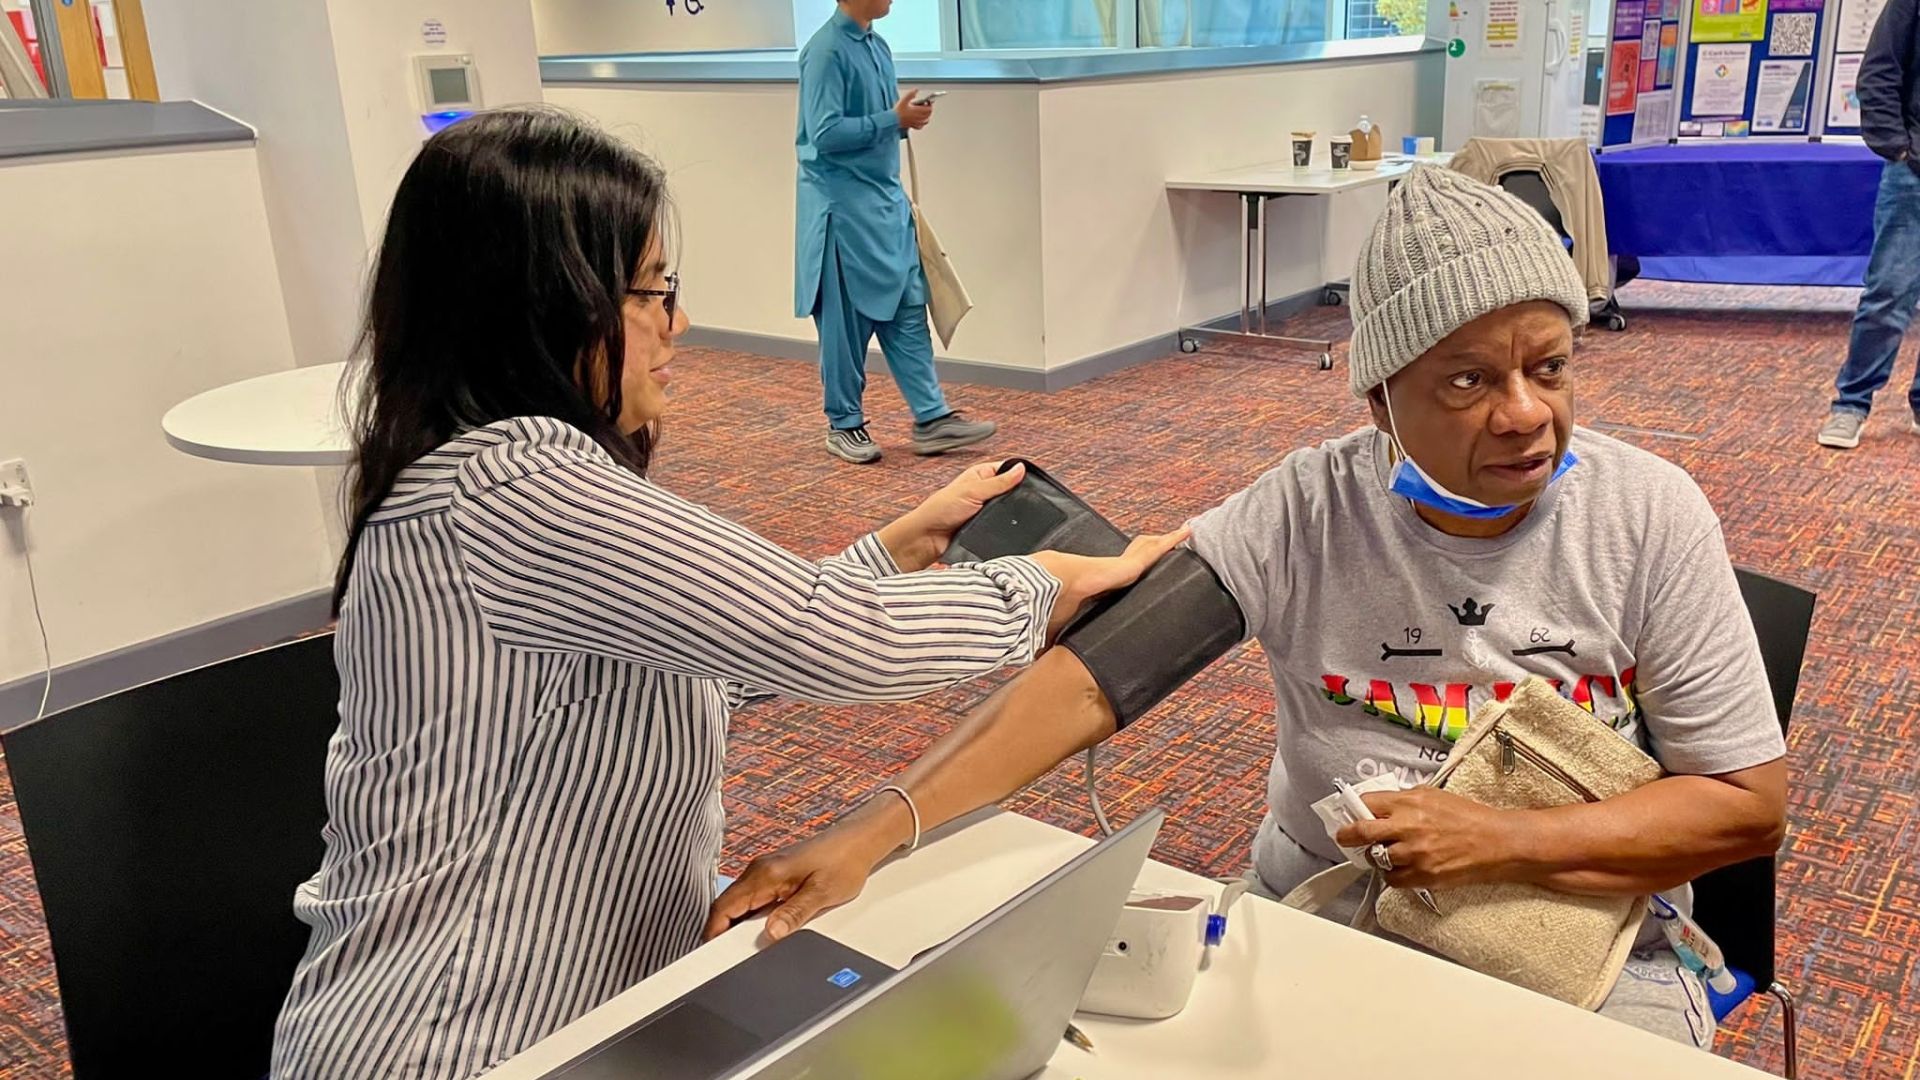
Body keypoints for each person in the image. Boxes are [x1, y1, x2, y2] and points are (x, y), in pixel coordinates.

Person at [712, 168, 1789, 1049]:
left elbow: (1744, 804)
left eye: (1550, 368)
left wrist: (1503, 840)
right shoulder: (1305, 506)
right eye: (1465, 383)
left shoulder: (1650, 515)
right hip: (1327, 911)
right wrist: (880, 825)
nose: (1525, 416)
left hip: (1582, 940)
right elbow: (1088, 685)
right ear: (1378, 402)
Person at [269, 107, 1186, 1079]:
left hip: (585, 1010)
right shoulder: (514, 483)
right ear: (547, 303)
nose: (681, 323)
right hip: (453, 1040)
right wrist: (1039, 587)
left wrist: (894, 548)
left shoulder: (485, 479)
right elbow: (839, 642)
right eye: (654, 292)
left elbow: (700, 666)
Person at [796, 0, 995, 465]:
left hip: (885, 206)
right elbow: (823, 136)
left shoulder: (878, 46)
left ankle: (932, 416)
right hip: (841, 213)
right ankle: (843, 424)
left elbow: (872, 123)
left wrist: (906, 119)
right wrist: (893, 120)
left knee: (908, 308)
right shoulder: (825, 51)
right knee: (845, 325)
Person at [1820, 0, 1920, 449]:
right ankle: (1851, 404)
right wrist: (1897, 148)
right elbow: (1879, 69)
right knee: (1888, 294)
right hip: (1914, 173)